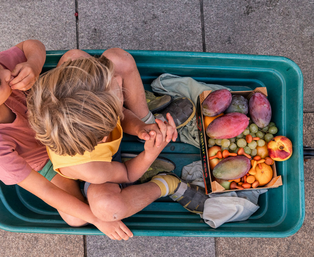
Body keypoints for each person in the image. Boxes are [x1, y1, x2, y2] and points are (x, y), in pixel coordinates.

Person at [0, 35, 138, 240]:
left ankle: (133, 112)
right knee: (75, 218)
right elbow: (44, 189)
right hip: (45, 159)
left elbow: (31, 44)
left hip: (61, 115)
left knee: (74, 57)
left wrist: (34, 65)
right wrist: (97, 219)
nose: (7, 73)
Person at [27, 49, 202, 224]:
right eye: (118, 89)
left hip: (96, 132)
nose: (119, 79)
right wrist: (150, 154)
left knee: (83, 57)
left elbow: (118, 113)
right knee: (108, 208)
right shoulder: (90, 169)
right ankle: (167, 184)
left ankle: (149, 121)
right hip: (105, 166)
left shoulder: (92, 115)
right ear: (106, 134)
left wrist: (143, 128)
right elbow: (127, 174)